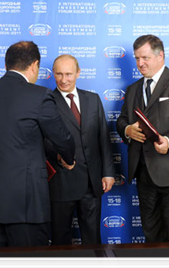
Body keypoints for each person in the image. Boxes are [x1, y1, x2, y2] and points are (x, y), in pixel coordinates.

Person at [0, 41, 75, 247]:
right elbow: (63, 138)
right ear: (35, 65)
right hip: (26, 201)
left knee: (0, 261)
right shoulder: (39, 96)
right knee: (30, 261)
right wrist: (68, 158)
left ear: (6, 66)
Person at [116, 35, 169, 242]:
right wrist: (127, 130)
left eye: (144, 58)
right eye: (136, 58)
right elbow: (122, 121)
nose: (140, 63)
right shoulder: (133, 89)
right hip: (144, 174)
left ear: (160, 55)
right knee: (151, 235)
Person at [45, 54, 115, 245]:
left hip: (91, 182)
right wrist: (58, 156)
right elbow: (42, 139)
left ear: (78, 73)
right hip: (61, 182)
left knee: (93, 239)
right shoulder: (46, 101)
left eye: (68, 74)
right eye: (59, 74)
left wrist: (108, 173)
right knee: (60, 238)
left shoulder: (93, 99)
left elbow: (103, 137)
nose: (64, 79)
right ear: (53, 74)